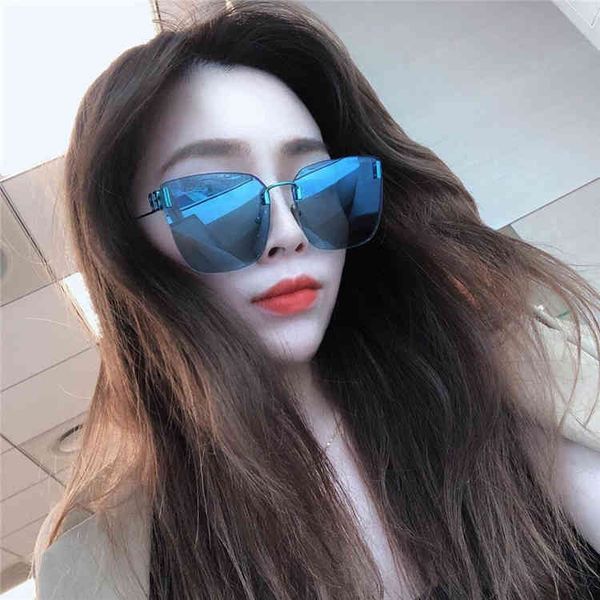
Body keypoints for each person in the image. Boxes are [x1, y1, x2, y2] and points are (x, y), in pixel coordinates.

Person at [32, 1, 600, 598]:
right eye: (214, 202)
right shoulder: (113, 560)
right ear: (126, 247)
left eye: (323, 187)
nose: (290, 231)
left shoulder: (491, 384)